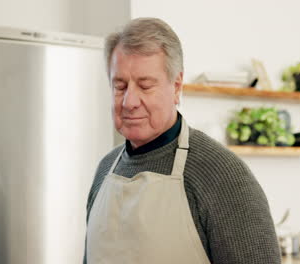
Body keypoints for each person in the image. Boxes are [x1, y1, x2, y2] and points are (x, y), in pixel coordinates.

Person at [83, 17, 281, 264]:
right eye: (120, 86)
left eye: (145, 86)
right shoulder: (105, 171)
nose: (129, 102)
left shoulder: (222, 175)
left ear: (176, 86)